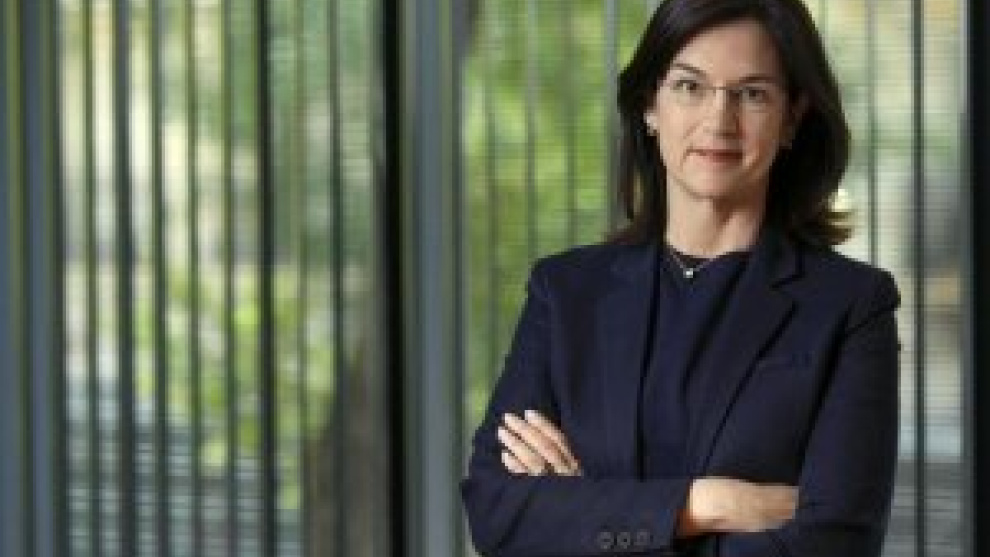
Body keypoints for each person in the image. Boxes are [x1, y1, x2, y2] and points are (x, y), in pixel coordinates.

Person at [460, 0, 901, 555]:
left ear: (791, 119)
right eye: (690, 87)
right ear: (650, 105)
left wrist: (589, 513)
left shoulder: (852, 307)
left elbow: (835, 542)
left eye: (752, 94)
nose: (719, 121)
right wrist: (705, 504)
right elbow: (497, 511)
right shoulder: (565, 294)